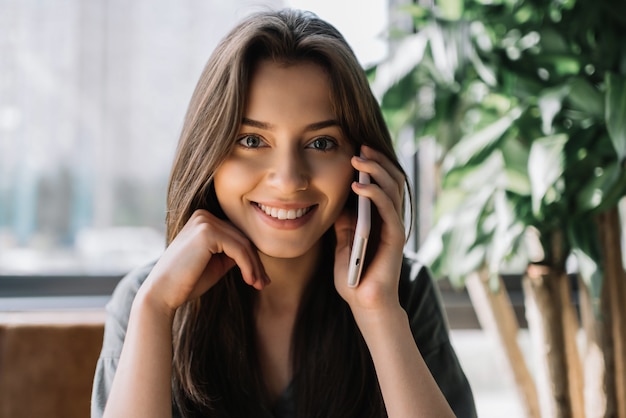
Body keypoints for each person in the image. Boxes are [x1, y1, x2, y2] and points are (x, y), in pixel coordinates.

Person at [91, 8, 476, 418]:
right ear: (209, 154)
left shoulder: (403, 292)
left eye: (322, 143)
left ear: (364, 162)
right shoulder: (145, 298)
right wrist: (154, 311)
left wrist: (378, 311)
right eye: (253, 140)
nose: (289, 179)